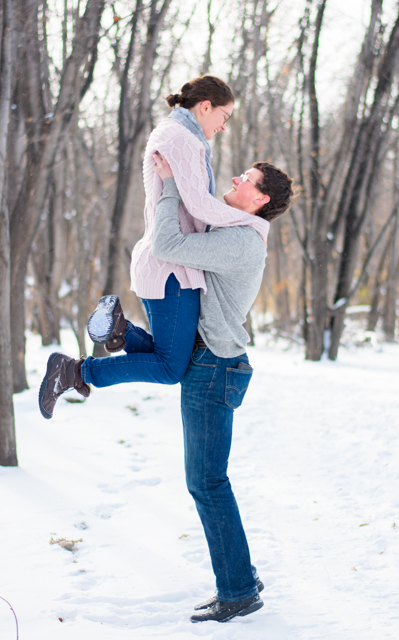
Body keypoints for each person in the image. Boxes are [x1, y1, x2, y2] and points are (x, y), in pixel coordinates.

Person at [39, 75, 269, 420]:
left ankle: (119, 330)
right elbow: (200, 206)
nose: (223, 127)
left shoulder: (182, 135)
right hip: (170, 267)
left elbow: (195, 205)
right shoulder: (181, 139)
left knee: (173, 358)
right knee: (170, 367)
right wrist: (252, 222)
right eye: (224, 116)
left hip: (174, 265)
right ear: (205, 107)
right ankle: (75, 372)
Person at [151, 154, 293, 623]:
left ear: (261, 198)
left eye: (246, 179)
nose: (236, 178)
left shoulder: (239, 241)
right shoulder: (233, 231)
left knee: (207, 482)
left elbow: (168, 242)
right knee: (209, 481)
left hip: (215, 367)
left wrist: (170, 182)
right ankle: (242, 578)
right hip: (212, 361)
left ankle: (237, 590)